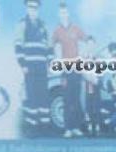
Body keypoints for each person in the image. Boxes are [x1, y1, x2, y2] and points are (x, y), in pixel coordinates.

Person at [14, 0, 52, 135]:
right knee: (32, 96)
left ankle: (44, 124)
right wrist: (23, 64)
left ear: (38, 9)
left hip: (42, 66)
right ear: (27, 8)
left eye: (35, 7)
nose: (33, 9)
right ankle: (32, 126)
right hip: (30, 66)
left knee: (43, 95)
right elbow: (18, 46)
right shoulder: (22, 24)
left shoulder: (43, 25)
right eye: (30, 7)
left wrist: (50, 63)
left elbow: (49, 47)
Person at [51, 1, 86, 138]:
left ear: (68, 13)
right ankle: (68, 129)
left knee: (76, 99)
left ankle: (77, 127)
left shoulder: (76, 28)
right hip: (65, 70)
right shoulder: (57, 31)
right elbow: (52, 46)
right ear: (59, 15)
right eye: (61, 13)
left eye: (65, 12)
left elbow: (85, 42)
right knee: (67, 99)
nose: (63, 14)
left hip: (76, 69)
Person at [82, 36, 102, 135]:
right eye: (88, 44)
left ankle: (97, 126)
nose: (90, 46)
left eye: (92, 44)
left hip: (96, 85)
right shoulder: (84, 58)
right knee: (88, 106)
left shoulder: (98, 58)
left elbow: (100, 71)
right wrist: (89, 78)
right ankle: (89, 126)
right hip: (87, 86)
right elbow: (82, 71)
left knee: (96, 105)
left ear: (94, 45)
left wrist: (96, 79)